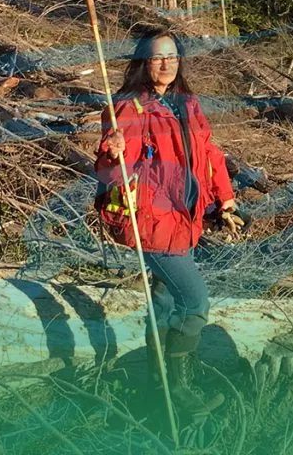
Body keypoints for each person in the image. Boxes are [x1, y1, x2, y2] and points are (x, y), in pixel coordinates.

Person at [93, 27, 244, 413]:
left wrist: (224, 200)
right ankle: (177, 386)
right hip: (153, 224)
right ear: (144, 62)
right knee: (193, 302)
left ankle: (155, 387)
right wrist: (113, 151)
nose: (166, 64)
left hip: (185, 220)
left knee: (163, 305)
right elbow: (113, 170)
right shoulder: (131, 106)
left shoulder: (186, 103)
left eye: (173, 57)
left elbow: (208, 151)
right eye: (158, 57)